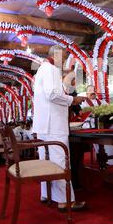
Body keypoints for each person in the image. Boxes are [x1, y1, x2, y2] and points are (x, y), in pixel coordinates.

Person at [32, 45, 86, 211]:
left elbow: (50, 94)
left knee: (46, 161)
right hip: (53, 124)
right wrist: (73, 100)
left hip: (44, 125)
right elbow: (53, 94)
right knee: (60, 161)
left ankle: (46, 194)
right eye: (64, 56)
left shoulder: (43, 69)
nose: (65, 60)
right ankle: (65, 200)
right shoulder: (52, 69)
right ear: (56, 55)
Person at [80, 85, 113, 166]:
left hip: (105, 123)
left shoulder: (102, 102)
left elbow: (110, 110)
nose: (92, 92)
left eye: (94, 91)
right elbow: (83, 116)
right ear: (86, 93)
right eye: (90, 91)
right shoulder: (83, 104)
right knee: (101, 133)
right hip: (91, 124)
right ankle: (107, 159)